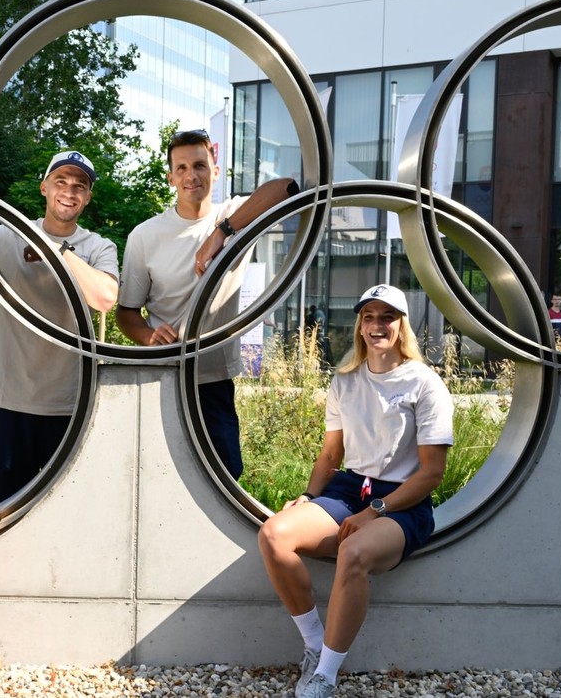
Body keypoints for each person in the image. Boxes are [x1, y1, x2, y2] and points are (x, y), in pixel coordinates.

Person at [257, 284, 454, 698]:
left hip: (403, 499)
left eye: (387, 317)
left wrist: (377, 510)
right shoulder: (344, 381)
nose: (377, 325)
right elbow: (332, 451)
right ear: (360, 325)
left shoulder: (425, 384)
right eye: (369, 317)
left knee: (355, 551)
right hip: (349, 489)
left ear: (403, 326)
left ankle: (326, 675)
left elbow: (432, 474)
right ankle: (313, 643)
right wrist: (310, 496)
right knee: (275, 535)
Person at [0, 150, 118, 501]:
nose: (69, 191)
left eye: (80, 186)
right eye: (61, 181)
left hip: (71, 405)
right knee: (12, 504)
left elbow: (104, 298)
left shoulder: (97, 246)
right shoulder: (8, 237)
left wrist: (57, 251)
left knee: (68, 504)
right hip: (15, 404)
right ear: (44, 187)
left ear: (87, 197)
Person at [116, 128, 299, 479]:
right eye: (181, 168)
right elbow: (127, 313)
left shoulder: (234, 215)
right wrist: (147, 337)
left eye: (200, 165)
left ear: (216, 171)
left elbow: (286, 188)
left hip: (213, 379)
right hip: (164, 375)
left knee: (225, 476)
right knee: (161, 477)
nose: (191, 175)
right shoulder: (145, 235)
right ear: (170, 177)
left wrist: (222, 232)